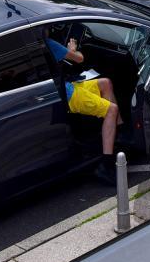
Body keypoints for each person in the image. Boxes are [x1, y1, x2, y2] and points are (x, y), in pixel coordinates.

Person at [46, 31, 124, 183]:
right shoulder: (49, 43)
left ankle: (115, 136)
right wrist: (72, 48)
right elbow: (79, 58)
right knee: (112, 110)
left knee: (106, 83)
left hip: (66, 85)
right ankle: (106, 165)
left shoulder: (36, 42)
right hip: (67, 93)